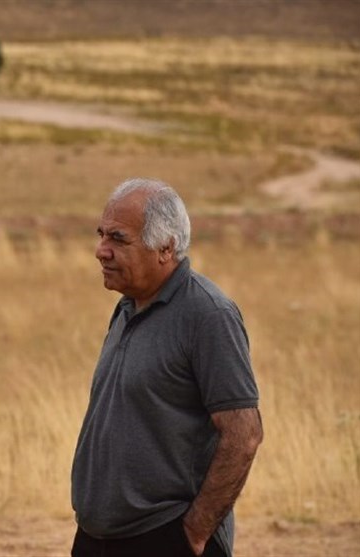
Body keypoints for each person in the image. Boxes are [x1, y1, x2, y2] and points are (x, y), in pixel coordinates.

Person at [70, 178, 263, 557]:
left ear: (165, 248)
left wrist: (194, 531)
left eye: (118, 239)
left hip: (165, 537)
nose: (101, 251)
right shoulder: (127, 307)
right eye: (101, 235)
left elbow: (244, 434)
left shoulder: (208, 314)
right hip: (98, 538)